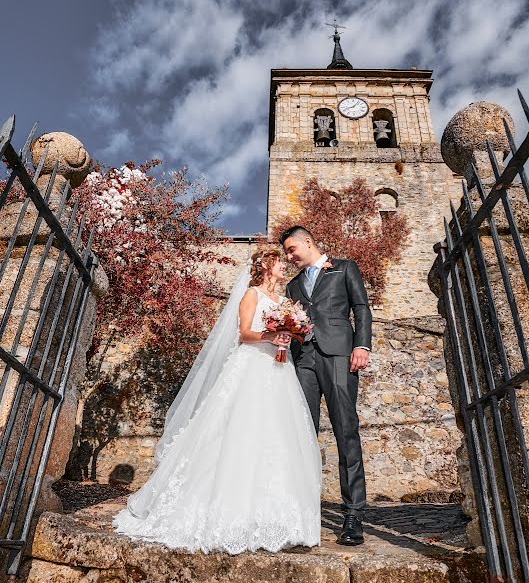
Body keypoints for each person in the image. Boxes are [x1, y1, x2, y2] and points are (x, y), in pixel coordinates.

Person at [113, 248, 322, 554]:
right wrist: (270, 336)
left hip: (279, 369)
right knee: (238, 430)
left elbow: (288, 330)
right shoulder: (252, 294)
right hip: (252, 366)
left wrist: (290, 333)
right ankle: (228, 511)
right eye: (279, 262)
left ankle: (279, 517)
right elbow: (244, 334)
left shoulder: (285, 302)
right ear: (266, 265)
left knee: (277, 435)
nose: (284, 266)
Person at [280, 226, 371, 546]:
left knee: (346, 429)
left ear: (308, 242)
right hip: (303, 359)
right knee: (302, 433)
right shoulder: (292, 285)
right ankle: (302, 512)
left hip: (338, 355)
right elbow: (290, 323)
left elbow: (360, 308)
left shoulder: (345, 268)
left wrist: (362, 346)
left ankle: (353, 514)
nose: (289, 256)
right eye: (286, 253)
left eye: (292, 249)